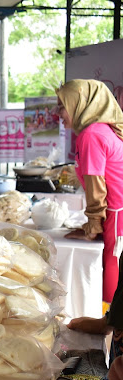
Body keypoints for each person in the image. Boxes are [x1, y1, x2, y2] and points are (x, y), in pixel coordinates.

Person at [58, 79, 123, 304]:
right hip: (116, 214)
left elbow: (97, 186)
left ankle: (112, 335)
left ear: (80, 103)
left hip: (117, 215)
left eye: (62, 105)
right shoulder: (102, 130)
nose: (59, 113)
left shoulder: (91, 135)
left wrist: (93, 225)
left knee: (113, 279)